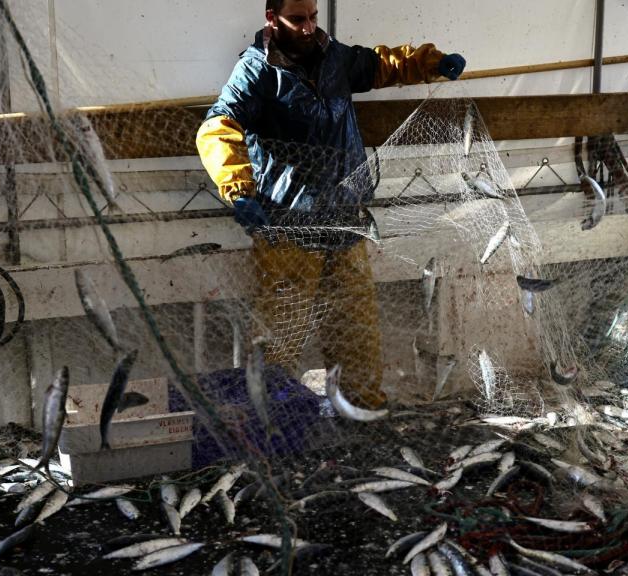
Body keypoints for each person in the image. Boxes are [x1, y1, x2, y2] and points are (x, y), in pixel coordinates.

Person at [196, 0, 466, 409]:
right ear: (272, 19)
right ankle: (269, 427)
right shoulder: (254, 72)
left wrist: (433, 62)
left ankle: (360, 415)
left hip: (345, 223)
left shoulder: (336, 58)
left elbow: (385, 64)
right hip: (287, 229)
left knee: (356, 336)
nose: (308, 28)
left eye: (313, 17)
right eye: (297, 19)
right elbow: (217, 126)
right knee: (278, 338)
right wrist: (238, 188)